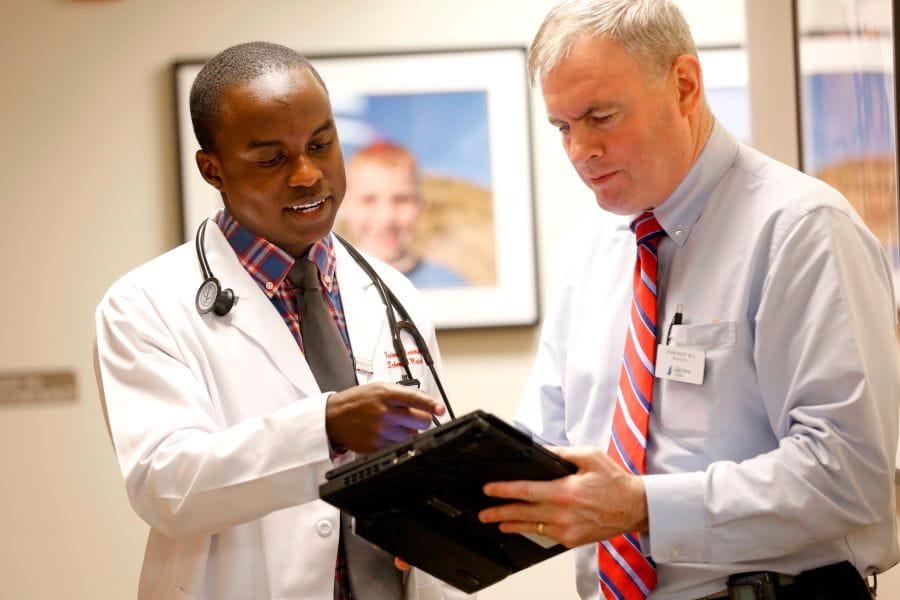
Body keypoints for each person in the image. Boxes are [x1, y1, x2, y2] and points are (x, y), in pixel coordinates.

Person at [477, 1, 900, 599]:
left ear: (684, 85)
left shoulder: (801, 229)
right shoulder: (594, 250)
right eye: (563, 127)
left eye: (601, 115)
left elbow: (849, 474)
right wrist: (435, 501)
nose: (580, 151)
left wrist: (642, 506)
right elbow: (542, 444)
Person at [94, 41, 470, 600]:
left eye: (321, 144)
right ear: (212, 168)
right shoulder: (143, 306)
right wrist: (324, 429)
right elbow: (166, 486)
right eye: (271, 158)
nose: (306, 174)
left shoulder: (394, 294)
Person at [341, 141, 467, 288]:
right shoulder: (327, 285)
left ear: (419, 203)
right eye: (369, 200)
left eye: (401, 200)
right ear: (344, 204)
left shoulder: (450, 286)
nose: (386, 217)